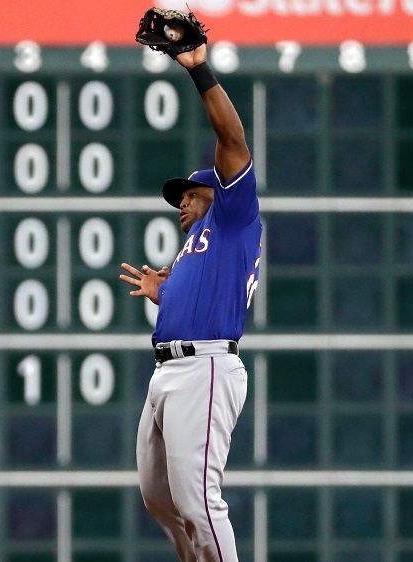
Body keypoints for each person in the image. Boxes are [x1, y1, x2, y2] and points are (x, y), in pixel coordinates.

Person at [118, 38, 263, 562]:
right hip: (170, 371)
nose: (182, 201)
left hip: (203, 369)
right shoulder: (193, 252)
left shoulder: (232, 218)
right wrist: (167, 294)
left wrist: (200, 72)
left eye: (191, 193)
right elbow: (200, 296)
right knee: (160, 499)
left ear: (219, 193)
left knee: (199, 503)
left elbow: (234, 139)